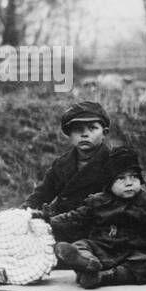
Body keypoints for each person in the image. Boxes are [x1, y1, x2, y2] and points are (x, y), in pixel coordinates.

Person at [51, 147, 146, 289]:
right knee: (81, 245)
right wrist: (50, 220)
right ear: (109, 183)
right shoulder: (97, 201)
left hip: (133, 252)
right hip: (102, 248)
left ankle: (101, 277)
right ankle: (87, 263)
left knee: (145, 267)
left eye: (134, 176)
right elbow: (74, 217)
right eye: (121, 178)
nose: (129, 183)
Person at [23, 100, 114, 242]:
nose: (85, 134)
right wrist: (21, 213)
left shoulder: (114, 162)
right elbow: (42, 194)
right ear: (69, 135)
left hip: (98, 229)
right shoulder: (62, 164)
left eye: (92, 128)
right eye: (78, 130)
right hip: (60, 226)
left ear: (104, 133)